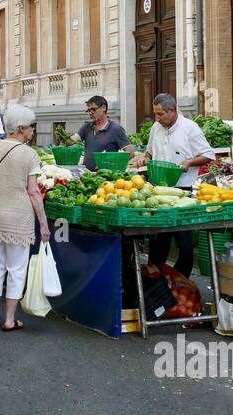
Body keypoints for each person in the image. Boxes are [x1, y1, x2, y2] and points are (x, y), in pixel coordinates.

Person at [0, 103, 49, 332]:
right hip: (19, 218)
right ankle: (9, 319)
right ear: (20, 128)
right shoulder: (29, 154)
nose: (33, 131)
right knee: (17, 269)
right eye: (31, 127)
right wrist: (44, 223)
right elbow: (34, 192)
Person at [144, 92, 216, 278]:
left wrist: (189, 162)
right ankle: (156, 279)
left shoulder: (190, 128)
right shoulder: (155, 128)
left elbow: (209, 154)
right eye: (155, 114)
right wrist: (143, 159)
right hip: (158, 190)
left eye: (160, 114)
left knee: (184, 241)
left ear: (173, 111)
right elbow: (149, 153)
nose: (157, 118)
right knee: (159, 238)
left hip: (183, 191)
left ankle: (181, 280)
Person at [77, 95, 132, 170]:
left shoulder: (116, 129)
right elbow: (72, 140)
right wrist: (61, 136)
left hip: (105, 177)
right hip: (87, 176)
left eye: (93, 109)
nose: (90, 113)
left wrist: (110, 163)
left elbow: (130, 153)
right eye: (88, 110)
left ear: (103, 108)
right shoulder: (86, 127)